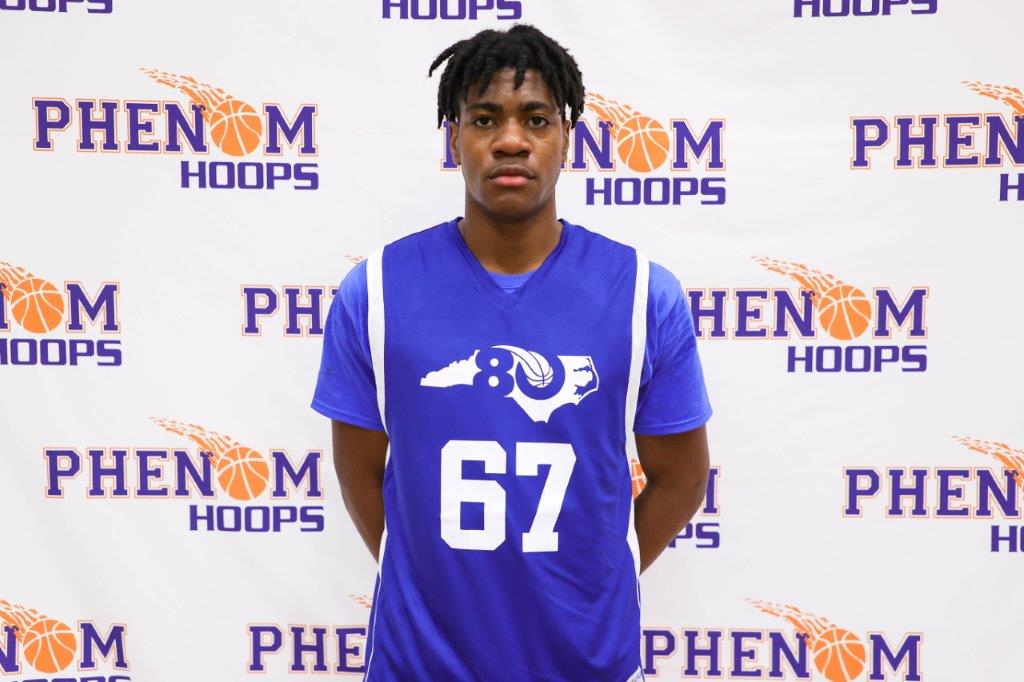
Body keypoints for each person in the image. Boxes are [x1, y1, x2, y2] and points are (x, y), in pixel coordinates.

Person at [312, 23, 712, 682]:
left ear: (567, 138)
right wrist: (427, 578)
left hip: (586, 665)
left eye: (536, 119)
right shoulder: (376, 291)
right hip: (421, 666)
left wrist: (594, 577)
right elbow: (359, 470)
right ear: (454, 138)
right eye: (484, 119)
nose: (510, 140)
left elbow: (683, 478)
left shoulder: (643, 293)